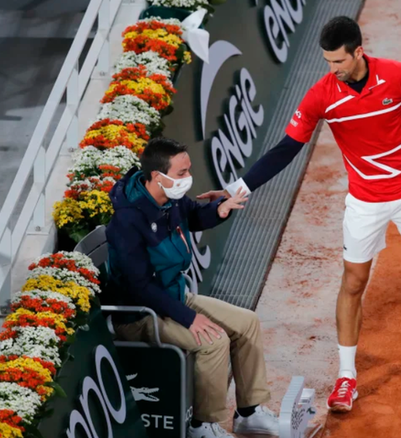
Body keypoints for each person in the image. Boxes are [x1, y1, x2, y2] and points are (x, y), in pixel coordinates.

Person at [198, 16, 401, 413]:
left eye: (338, 62)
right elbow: (286, 149)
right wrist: (239, 188)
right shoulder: (321, 96)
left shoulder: (398, 76)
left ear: (358, 52)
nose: (332, 70)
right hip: (365, 200)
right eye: (327, 62)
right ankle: (346, 377)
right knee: (354, 281)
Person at [105, 137, 280, 438]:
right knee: (213, 341)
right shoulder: (127, 221)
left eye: (188, 170)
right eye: (182, 173)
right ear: (158, 177)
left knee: (247, 323)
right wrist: (189, 318)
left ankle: (250, 413)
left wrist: (220, 209)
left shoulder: (169, 199)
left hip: (171, 296)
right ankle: (203, 426)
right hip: (140, 315)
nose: (188, 178)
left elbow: (195, 216)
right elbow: (141, 287)